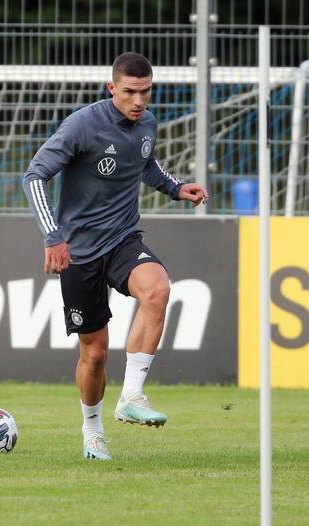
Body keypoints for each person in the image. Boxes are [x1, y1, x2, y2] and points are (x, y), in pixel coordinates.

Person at [22, 52, 209, 461]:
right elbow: (34, 176)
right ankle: (92, 429)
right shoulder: (82, 125)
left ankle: (132, 395)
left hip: (123, 238)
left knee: (158, 289)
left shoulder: (147, 123)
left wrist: (176, 188)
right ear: (112, 88)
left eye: (145, 92)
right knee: (95, 354)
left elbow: (145, 164)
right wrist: (53, 236)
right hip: (79, 251)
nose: (138, 101)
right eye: (129, 92)